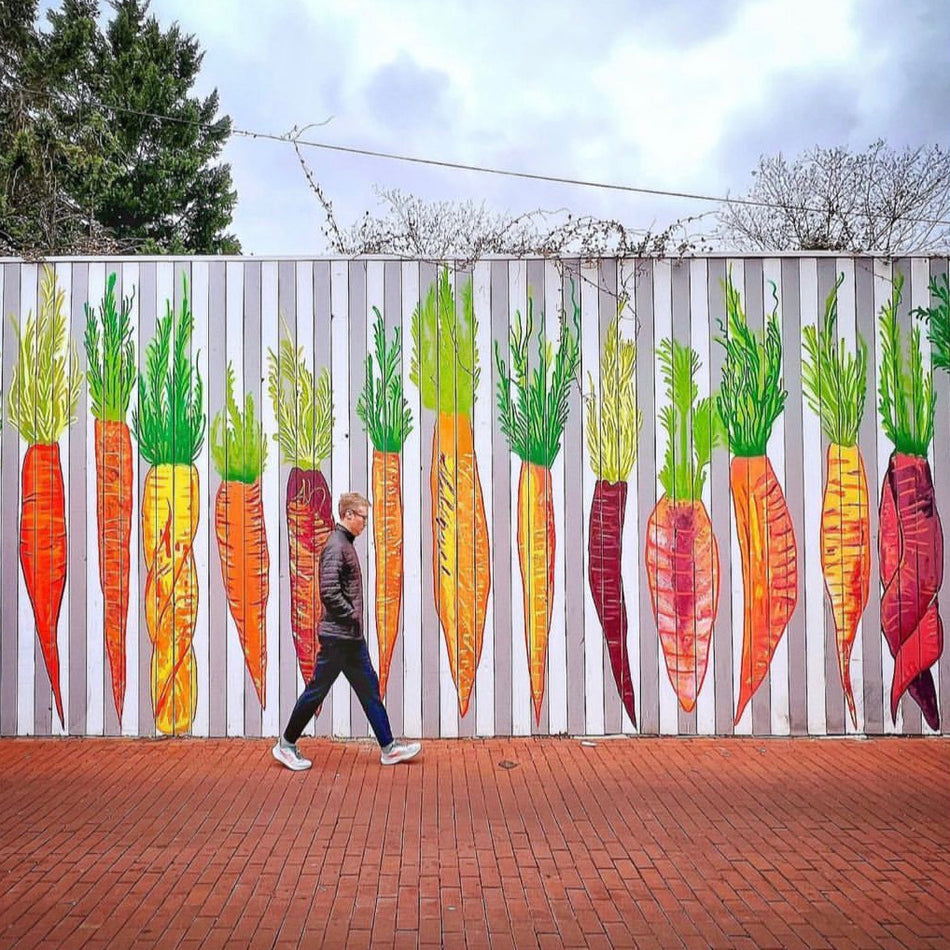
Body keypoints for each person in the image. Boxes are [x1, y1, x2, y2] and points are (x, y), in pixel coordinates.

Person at [272, 492, 421, 771]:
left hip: (349, 638)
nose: (365, 523)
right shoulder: (336, 546)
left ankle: (388, 747)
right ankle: (286, 744)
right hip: (339, 638)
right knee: (317, 691)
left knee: (369, 690)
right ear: (348, 515)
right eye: (362, 517)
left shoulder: (344, 544)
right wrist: (351, 615)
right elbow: (329, 591)